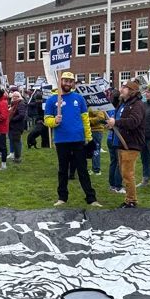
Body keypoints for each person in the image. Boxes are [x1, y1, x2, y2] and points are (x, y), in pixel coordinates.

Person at [43, 72, 102, 207]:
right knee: (63, 170)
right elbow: (46, 120)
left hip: (78, 139)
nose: (68, 84)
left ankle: (91, 198)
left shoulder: (79, 98)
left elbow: (85, 119)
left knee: (82, 169)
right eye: (65, 81)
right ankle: (62, 197)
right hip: (61, 140)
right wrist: (54, 121)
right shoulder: (52, 100)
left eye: (70, 81)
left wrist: (89, 137)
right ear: (60, 81)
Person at [106, 80, 146, 208]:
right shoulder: (123, 104)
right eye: (122, 87)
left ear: (132, 91)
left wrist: (116, 122)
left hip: (131, 143)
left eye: (125, 87)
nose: (121, 89)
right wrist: (111, 125)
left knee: (128, 174)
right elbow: (119, 122)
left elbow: (134, 122)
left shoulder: (137, 105)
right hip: (121, 142)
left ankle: (131, 201)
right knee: (124, 173)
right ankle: (129, 199)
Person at [8, 91, 27, 164]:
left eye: (16, 96)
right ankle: (16, 158)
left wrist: (12, 119)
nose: (14, 97)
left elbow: (22, 115)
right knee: (14, 142)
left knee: (16, 142)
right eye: (13, 96)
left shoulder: (20, 104)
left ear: (19, 97)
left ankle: (17, 158)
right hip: (13, 126)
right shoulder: (14, 104)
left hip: (17, 126)